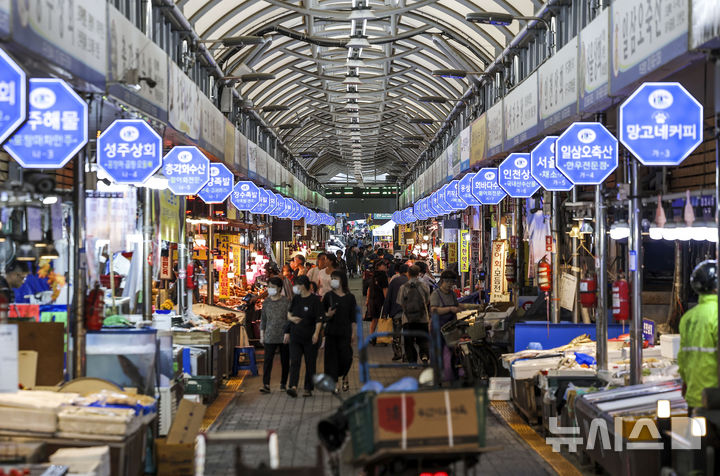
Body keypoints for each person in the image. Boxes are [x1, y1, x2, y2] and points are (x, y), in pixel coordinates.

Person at [679, 260, 719, 411]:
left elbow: (683, 359)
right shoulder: (716, 314)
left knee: (694, 435)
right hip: (715, 400)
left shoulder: (688, 317)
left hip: (694, 398)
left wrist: (686, 384)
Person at [430, 270, 478, 380]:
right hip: (438, 326)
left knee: (454, 350)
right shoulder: (436, 294)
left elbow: (458, 305)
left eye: (452, 282)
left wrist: (473, 307)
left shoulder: (451, 294)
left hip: (451, 327)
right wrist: (450, 309)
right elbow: (433, 310)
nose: (450, 284)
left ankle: (453, 373)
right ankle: (437, 375)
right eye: (448, 282)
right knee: (438, 351)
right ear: (442, 281)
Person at [285, 275, 323, 397]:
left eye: (296, 285)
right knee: (295, 361)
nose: (295, 287)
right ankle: (293, 386)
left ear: (303, 285)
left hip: (310, 337)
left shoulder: (315, 300)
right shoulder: (296, 299)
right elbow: (289, 314)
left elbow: (319, 319)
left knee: (310, 362)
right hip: (296, 336)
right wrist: (292, 320)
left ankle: (308, 388)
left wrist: (316, 334)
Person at [322, 270, 357, 393]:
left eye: (335, 278)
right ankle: (335, 382)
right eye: (332, 278)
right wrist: (328, 314)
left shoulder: (350, 298)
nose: (333, 281)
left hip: (345, 332)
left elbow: (353, 317)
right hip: (331, 332)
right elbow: (321, 315)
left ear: (342, 280)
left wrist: (353, 333)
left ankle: (345, 375)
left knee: (346, 357)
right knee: (332, 359)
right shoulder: (328, 296)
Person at [259, 277, 290, 393]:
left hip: (283, 336)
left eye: (273, 287)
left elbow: (289, 319)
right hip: (269, 335)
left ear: (280, 288)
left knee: (285, 361)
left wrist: (288, 333)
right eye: (269, 287)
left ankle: (283, 383)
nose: (270, 289)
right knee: (267, 361)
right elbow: (263, 320)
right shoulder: (266, 302)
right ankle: (266, 384)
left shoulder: (285, 302)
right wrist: (262, 335)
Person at [397, 265, 431, 365]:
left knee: (409, 341)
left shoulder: (403, 287)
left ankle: (412, 362)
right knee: (423, 339)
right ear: (418, 274)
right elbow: (428, 300)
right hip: (423, 318)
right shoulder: (424, 286)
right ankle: (424, 356)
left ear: (408, 273)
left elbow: (401, 302)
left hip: (407, 319)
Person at [383, 263, 409, 361]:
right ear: (407, 272)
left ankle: (397, 353)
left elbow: (388, 297)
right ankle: (407, 355)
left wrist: (385, 312)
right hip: (408, 313)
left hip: (396, 312)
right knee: (407, 335)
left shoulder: (394, 281)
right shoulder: (410, 281)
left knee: (396, 334)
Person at [365, 259, 389, 344]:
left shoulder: (374, 275)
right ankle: (381, 337)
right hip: (380, 300)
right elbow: (385, 289)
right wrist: (387, 301)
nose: (386, 267)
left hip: (372, 299)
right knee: (381, 319)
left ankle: (372, 337)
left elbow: (369, 288)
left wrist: (367, 300)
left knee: (374, 319)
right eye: (384, 265)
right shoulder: (383, 276)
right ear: (379, 267)